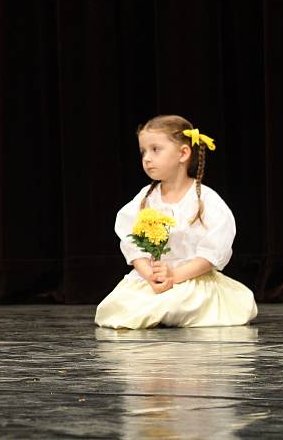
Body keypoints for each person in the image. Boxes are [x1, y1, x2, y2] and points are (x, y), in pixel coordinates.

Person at [95, 114, 257, 329]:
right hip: (155, 279)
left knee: (181, 304)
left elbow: (212, 252)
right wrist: (150, 274)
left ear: (183, 153)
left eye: (155, 149)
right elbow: (132, 245)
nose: (147, 158)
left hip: (191, 278)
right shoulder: (145, 199)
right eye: (143, 151)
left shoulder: (205, 200)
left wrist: (175, 275)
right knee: (118, 308)